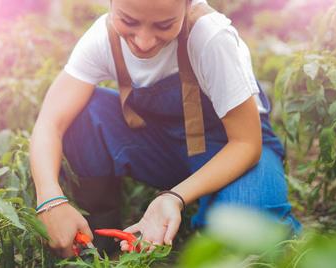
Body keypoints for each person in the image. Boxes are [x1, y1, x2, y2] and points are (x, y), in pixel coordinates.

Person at [30, 0, 301, 257]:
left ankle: (210, 211)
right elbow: (50, 123)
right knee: (84, 112)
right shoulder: (102, 38)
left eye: (163, 25)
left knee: (253, 229)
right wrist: (50, 199)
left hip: (233, 148)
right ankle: (96, 235)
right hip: (166, 145)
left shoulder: (210, 37)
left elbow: (246, 144)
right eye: (128, 21)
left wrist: (174, 197)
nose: (144, 41)